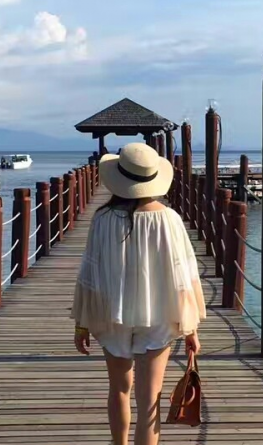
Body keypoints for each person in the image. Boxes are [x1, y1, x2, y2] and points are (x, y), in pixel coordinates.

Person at [72, 143, 205, 445]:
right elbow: (183, 275)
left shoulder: (102, 218)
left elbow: (90, 272)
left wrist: (81, 324)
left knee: (119, 390)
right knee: (149, 403)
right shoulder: (169, 219)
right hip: (159, 316)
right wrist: (191, 329)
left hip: (112, 314)